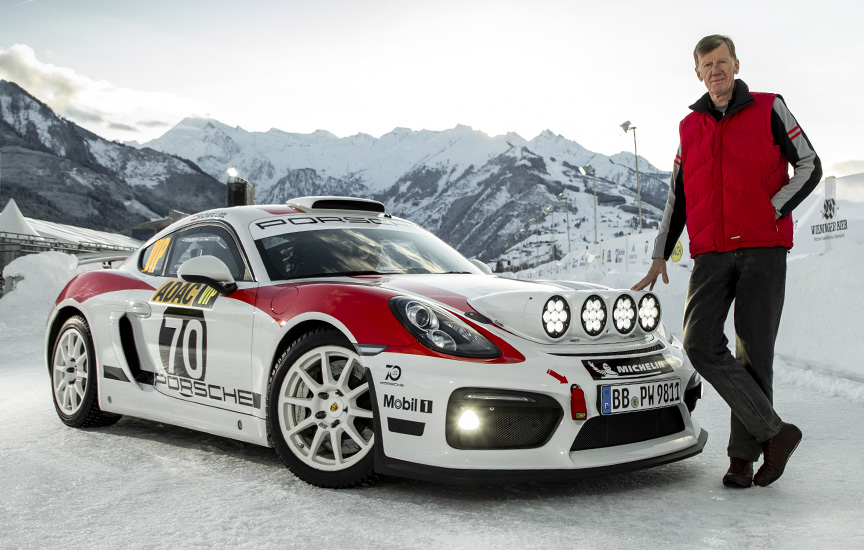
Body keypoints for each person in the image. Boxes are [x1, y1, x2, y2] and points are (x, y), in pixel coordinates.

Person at [632, 34, 821, 488]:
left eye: (722, 61)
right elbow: (678, 196)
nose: (716, 70)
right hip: (712, 255)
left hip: (763, 250)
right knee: (699, 343)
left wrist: (771, 208)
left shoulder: (770, 106)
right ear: (698, 73)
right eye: (706, 65)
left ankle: (742, 460)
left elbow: (810, 165)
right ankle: (776, 433)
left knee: (754, 355)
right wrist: (660, 252)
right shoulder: (688, 127)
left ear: (736, 64)